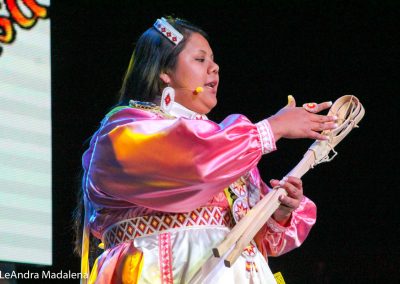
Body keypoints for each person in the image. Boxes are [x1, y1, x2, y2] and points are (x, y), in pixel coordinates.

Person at [75, 16, 337, 283]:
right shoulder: (124, 133)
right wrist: (272, 128)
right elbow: (194, 166)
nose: (214, 68)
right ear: (164, 71)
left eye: (213, 60)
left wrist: (279, 211)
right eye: (200, 60)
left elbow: (260, 235)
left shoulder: (221, 142)